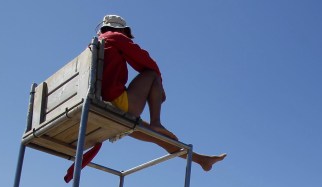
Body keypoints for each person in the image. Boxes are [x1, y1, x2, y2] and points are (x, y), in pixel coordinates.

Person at [95, 15, 226, 171]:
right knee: (152, 75)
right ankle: (156, 122)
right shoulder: (114, 37)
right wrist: (159, 86)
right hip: (116, 105)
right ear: (122, 30)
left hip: (104, 107)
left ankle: (202, 160)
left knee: (161, 139)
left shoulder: (96, 45)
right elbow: (147, 62)